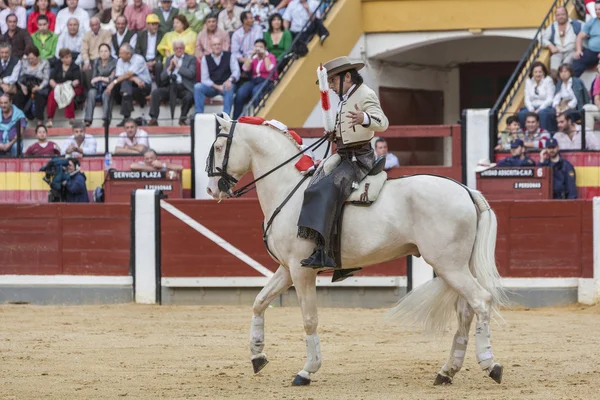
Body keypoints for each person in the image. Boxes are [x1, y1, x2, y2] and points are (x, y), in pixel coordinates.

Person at [297, 56, 389, 269]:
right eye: (327, 81)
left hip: (360, 159)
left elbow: (383, 123)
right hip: (345, 154)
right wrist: (334, 134)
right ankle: (318, 243)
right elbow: (346, 128)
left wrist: (364, 118)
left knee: (329, 188)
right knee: (315, 181)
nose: (329, 85)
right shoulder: (346, 97)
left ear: (347, 77)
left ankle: (327, 251)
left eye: (332, 80)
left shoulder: (366, 94)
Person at [148, 39, 195, 126]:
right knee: (156, 93)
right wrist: (169, 68)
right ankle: (154, 118)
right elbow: (162, 78)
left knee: (189, 96)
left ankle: (182, 118)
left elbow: (191, 74)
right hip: (170, 86)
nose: (179, 50)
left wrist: (178, 66)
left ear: (184, 49)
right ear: (173, 50)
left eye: (181, 48)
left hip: (183, 86)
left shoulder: (191, 58)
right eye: (176, 48)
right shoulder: (169, 59)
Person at [105, 43, 152, 126]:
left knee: (125, 84)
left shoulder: (138, 59)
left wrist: (113, 83)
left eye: (121, 53)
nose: (119, 55)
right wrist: (134, 78)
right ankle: (107, 118)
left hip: (143, 86)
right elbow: (120, 76)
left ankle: (126, 118)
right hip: (129, 86)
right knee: (124, 86)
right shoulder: (120, 60)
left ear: (129, 54)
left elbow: (128, 75)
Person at [194, 36, 239, 115]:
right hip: (212, 87)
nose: (217, 46)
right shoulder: (205, 58)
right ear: (211, 47)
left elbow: (236, 71)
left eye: (218, 44)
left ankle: (226, 116)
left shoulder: (229, 56)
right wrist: (217, 87)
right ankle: (199, 114)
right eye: (214, 45)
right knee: (198, 87)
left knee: (229, 87)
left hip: (226, 85)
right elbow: (204, 79)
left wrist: (230, 80)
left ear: (222, 45)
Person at [233, 38, 275, 119]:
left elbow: (269, 69)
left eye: (261, 47)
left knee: (256, 92)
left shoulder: (270, 56)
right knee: (240, 92)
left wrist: (265, 56)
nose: (258, 49)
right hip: (254, 80)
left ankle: (258, 117)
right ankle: (236, 119)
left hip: (266, 79)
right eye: (256, 47)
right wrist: (251, 55)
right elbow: (245, 68)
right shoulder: (254, 58)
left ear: (265, 48)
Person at [47, 48, 83, 127]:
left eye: (69, 56)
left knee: (68, 93)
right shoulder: (57, 65)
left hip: (71, 86)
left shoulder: (75, 66)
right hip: (59, 86)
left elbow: (76, 81)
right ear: (62, 59)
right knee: (52, 95)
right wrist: (56, 85)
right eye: (66, 57)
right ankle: (50, 119)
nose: (69, 59)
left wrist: (66, 86)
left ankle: (71, 117)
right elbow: (51, 79)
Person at [14, 46, 50, 125]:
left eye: (33, 58)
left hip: (40, 85)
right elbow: (20, 76)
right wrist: (22, 86)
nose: (31, 60)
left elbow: (46, 79)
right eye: (29, 58)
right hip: (27, 85)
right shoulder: (25, 62)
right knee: (19, 95)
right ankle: (18, 118)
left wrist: (39, 87)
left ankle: (39, 120)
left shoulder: (45, 62)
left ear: (37, 56)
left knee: (39, 95)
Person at [541, 6, 580, 78]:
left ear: (567, 14)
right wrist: (550, 46)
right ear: (556, 16)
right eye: (558, 15)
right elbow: (542, 39)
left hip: (571, 51)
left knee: (565, 68)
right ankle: (558, 86)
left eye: (562, 14)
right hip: (557, 52)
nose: (560, 17)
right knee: (553, 71)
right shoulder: (553, 26)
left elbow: (586, 32)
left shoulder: (575, 24)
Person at [517, 61, 556, 132]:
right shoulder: (528, 81)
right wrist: (531, 109)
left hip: (545, 107)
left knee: (542, 114)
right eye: (535, 72)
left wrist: (539, 109)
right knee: (522, 114)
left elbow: (550, 99)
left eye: (540, 72)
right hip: (531, 107)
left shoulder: (548, 80)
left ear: (543, 72)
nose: (538, 74)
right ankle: (524, 136)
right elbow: (527, 98)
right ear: (532, 73)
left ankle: (545, 136)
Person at [84, 43, 116, 126]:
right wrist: (102, 79)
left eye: (106, 51)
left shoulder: (115, 62)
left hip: (110, 87)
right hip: (98, 86)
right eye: (101, 51)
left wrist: (100, 78)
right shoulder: (96, 61)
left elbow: (112, 78)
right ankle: (88, 119)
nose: (103, 53)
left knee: (106, 93)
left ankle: (106, 119)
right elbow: (93, 78)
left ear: (110, 52)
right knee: (91, 92)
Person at [134, 14, 164, 81]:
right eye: (153, 24)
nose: (155, 26)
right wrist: (144, 62)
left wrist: (154, 62)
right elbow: (137, 50)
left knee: (159, 65)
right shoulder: (141, 34)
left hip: (155, 60)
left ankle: (159, 86)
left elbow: (162, 52)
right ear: (147, 25)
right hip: (144, 60)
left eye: (156, 24)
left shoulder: (161, 35)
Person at [574, 1, 600, 77]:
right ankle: (572, 85)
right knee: (577, 63)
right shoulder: (591, 22)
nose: (597, 11)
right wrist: (578, 50)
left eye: (599, 9)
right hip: (591, 51)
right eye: (596, 10)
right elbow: (579, 37)